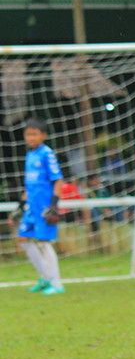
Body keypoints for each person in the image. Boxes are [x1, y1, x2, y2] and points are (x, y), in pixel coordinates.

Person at [14, 118, 66, 295]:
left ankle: (57, 283)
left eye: (34, 134)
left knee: (43, 242)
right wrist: (20, 206)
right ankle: (44, 277)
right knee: (23, 239)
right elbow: (31, 184)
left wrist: (54, 205)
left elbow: (58, 179)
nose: (31, 137)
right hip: (31, 206)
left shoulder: (47, 153)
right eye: (28, 134)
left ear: (44, 135)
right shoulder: (30, 155)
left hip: (44, 205)